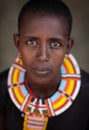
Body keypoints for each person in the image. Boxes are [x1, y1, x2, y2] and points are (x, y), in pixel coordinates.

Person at [0, 0, 89, 129]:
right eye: (31, 42)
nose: (42, 56)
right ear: (18, 43)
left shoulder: (86, 94)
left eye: (55, 44)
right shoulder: (2, 90)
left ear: (68, 47)